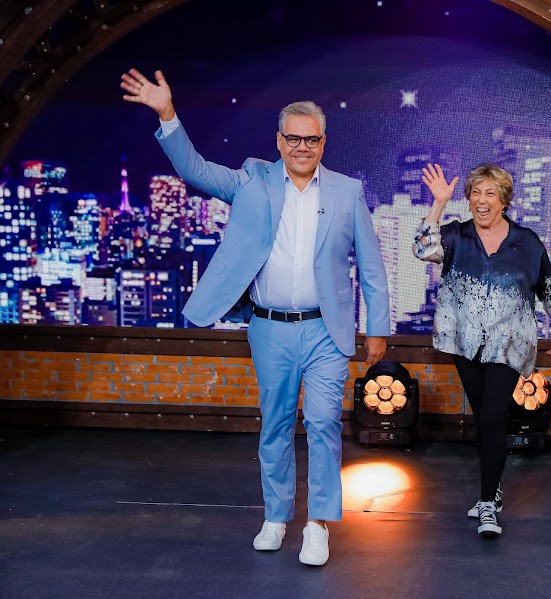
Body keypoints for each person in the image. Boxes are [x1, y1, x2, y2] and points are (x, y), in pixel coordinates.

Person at [120, 69, 390, 566]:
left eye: (312, 139)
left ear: (324, 143)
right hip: (269, 328)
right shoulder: (252, 180)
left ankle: (317, 525)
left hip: (326, 331)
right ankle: (275, 516)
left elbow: (371, 267)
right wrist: (167, 114)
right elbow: (196, 171)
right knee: (276, 425)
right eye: (294, 138)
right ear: (279, 141)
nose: (302, 147)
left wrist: (377, 327)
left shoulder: (347, 192)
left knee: (326, 423)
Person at [413, 163, 551, 538]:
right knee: (486, 416)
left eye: (490, 193)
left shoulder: (527, 242)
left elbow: (547, 285)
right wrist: (438, 204)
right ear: (468, 198)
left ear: (504, 199)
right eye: (475, 193)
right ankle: (494, 486)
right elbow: (422, 249)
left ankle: (487, 503)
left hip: (509, 343)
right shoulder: (455, 236)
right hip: (463, 342)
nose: (482, 201)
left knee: (492, 419)